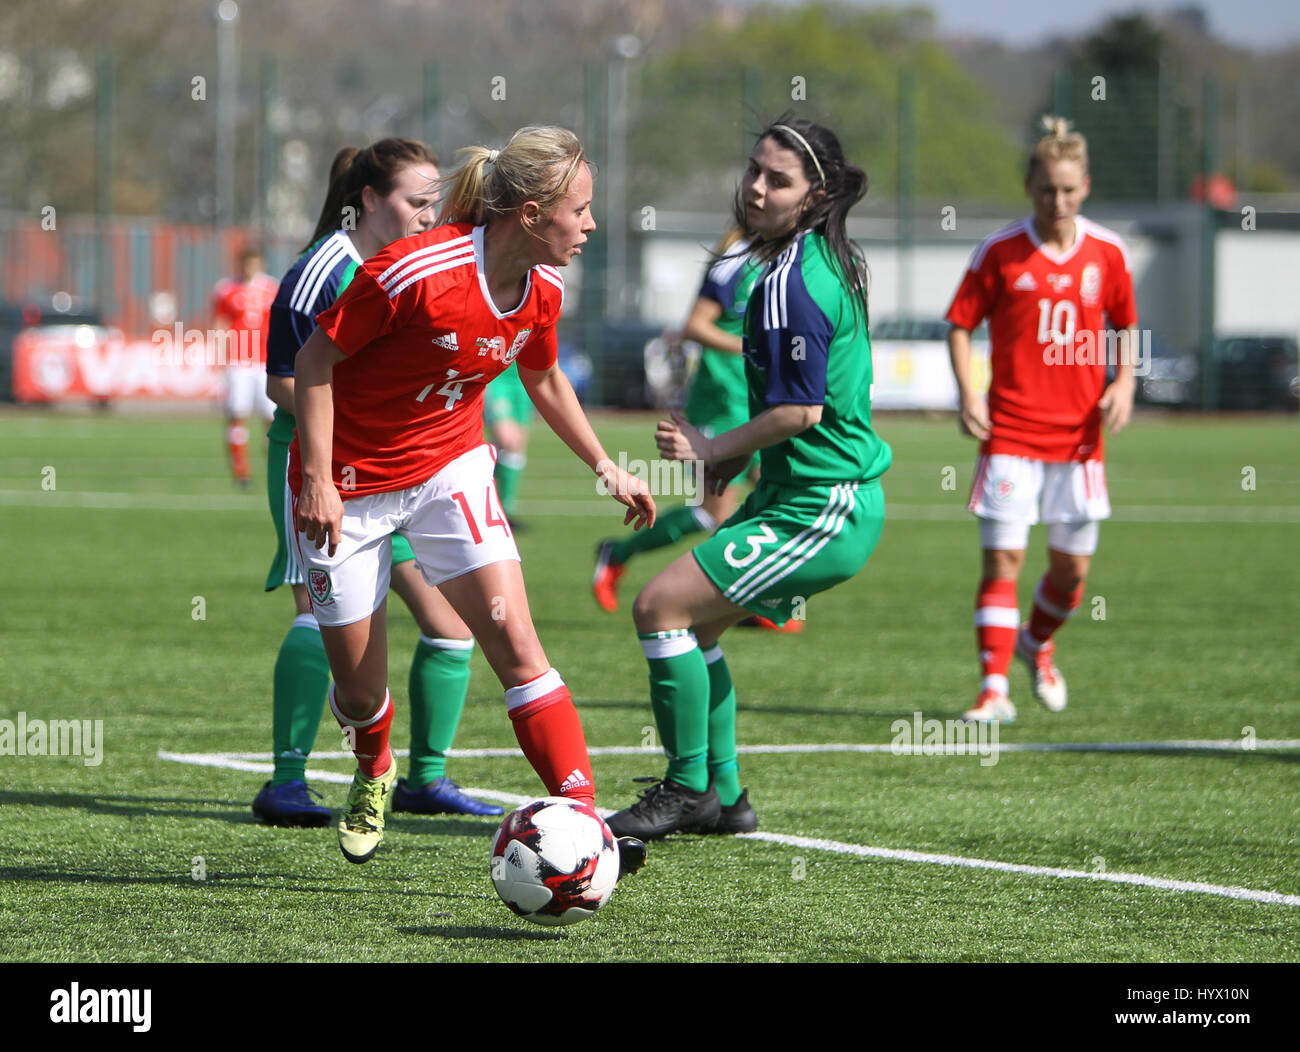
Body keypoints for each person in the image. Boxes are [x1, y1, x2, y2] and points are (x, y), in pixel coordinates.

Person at [291, 126, 656, 868]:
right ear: (528, 213)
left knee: (517, 645)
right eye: (579, 210)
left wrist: (604, 466)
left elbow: (545, 378)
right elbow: (315, 358)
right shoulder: (412, 273)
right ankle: (374, 764)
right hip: (353, 488)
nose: (590, 225)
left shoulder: (546, 286)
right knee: (360, 695)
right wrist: (318, 480)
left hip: (448, 472)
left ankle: (585, 818)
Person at [605, 115, 890, 840]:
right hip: (791, 495)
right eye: (754, 170)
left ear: (815, 196)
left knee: (657, 608)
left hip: (824, 506)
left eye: (778, 179)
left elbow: (798, 411)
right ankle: (724, 798)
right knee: (694, 625)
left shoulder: (793, 280)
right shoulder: (787, 268)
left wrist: (708, 448)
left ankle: (685, 788)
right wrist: (724, 455)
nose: (756, 187)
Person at [254, 138, 501, 827]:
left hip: (407, 474)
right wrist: (328, 460)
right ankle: (286, 780)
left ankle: (426, 777)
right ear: (368, 200)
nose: (430, 216)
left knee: (449, 621)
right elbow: (283, 376)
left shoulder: (418, 264)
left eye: (434, 203)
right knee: (316, 612)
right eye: (417, 202)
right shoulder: (324, 269)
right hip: (324, 472)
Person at [945, 115, 1137, 724]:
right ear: (1029, 185)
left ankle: (1036, 642)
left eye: (1069, 190)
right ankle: (992, 688)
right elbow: (959, 324)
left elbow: (1127, 325)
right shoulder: (1000, 252)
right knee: (1003, 561)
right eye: (1047, 189)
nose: (1058, 201)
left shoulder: (1108, 253)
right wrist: (969, 392)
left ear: (1086, 188)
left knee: (1071, 572)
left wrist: (1125, 380)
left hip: (1080, 442)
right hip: (1011, 434)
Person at [591, 225, 803, 633]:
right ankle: (618, 553)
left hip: (760, 402)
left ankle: (752, 601)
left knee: (773, 496)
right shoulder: (738, 257)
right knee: (711, 513)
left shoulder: (788, 258)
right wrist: (755, 348)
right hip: (722, 403)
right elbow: (695, 326)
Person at [212, 247, 278, 488]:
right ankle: (241, 471)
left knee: (271, 417)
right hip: (238, 361)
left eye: (254, 263)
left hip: (264, 363)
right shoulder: (226, 289)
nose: (250, 268)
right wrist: (220, 358)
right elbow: (220, 324)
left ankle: (274, 468)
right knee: (237, 414)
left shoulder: (272, 288)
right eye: (246, 263)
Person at [482, 362, 532, 526]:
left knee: (516, 446)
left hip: (523, 379)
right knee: (507, 439)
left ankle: (504, 510)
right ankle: (492, 507)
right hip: (497, 378)